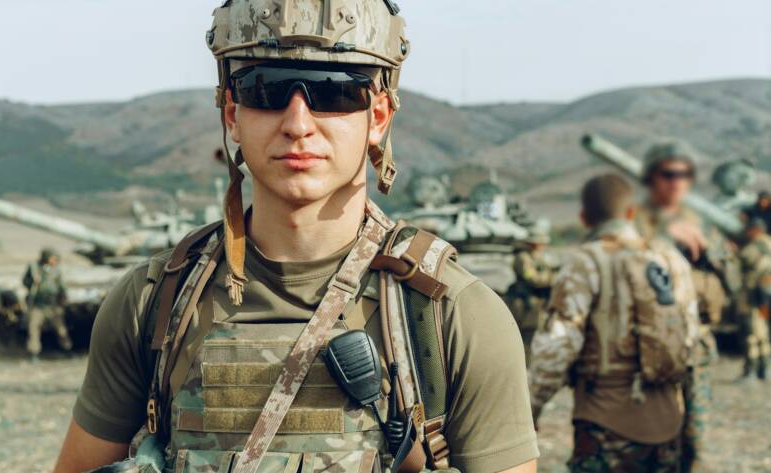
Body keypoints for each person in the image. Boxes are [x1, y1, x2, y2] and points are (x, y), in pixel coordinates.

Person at [55, 2, 538, 472]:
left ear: (380, 117)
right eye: (266, 90)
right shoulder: (154, 302)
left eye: (335, 94)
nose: (298, 124)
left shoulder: (449, 314)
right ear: (232, 114)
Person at [530, 173, 699, 472]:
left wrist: (531, 409)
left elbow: (557, 347)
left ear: (584, 218)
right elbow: (690, 338)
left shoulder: (585, 261)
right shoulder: (670, 258)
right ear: (631, 212)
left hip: (605, 424)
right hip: (668, 422)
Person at [633, 141, 724, 472]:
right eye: (668, 174)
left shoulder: (703, 221)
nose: (676, 183)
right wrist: (664, 234)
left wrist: (714, 248)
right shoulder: (636, 220)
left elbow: (730, 274)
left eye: (684, 175)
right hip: (654, 345)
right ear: (651, 178)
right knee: (656, 436)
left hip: (697, 341)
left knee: (695, 437)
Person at [508, 228, 555, 355]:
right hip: (526, 304)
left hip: (536, 303)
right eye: (541, 243)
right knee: (527, 338)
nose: (543, 246)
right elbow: (532, 278)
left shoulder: (537, 256)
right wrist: (552, 278)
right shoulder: (523, 257)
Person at [737, 217, 771, 381]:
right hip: (765, 297)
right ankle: (765, 368)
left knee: (751, 333)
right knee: (763, 331)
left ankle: (752, 369)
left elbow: (743, 261)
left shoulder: (755, 246)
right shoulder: (768, 244)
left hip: (753, 296)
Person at [22, 247, 72, 357]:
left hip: (53, 305)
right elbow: (25, 282)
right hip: (38, 304)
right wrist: (32, 280)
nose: (55, 261)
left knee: (61, 329)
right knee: (33, 328)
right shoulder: (35, 268)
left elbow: (61, 286)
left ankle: (67, 349)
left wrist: (64, 298)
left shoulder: (56, 271)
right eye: (52, 259)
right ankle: (34, 352)